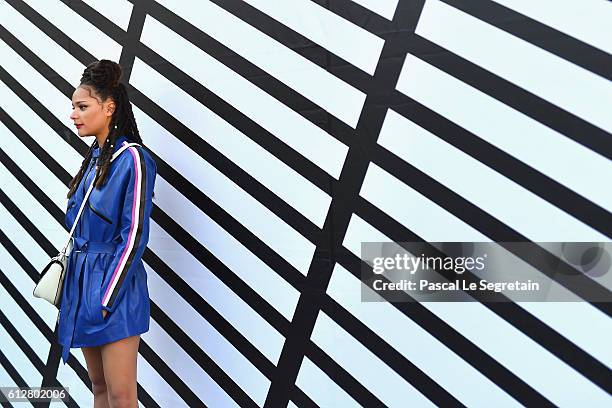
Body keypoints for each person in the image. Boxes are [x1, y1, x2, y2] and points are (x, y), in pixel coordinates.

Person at [58, 59, 157, 408]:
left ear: (109, 107)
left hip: (113, 286)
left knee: (121, 395)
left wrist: (106, 298)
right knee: (99, 389)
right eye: (73, 107)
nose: (74, 114)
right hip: (82, 278)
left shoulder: (134, 159)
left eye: (82, 106)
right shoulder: (95, 158)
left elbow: (134, 236)